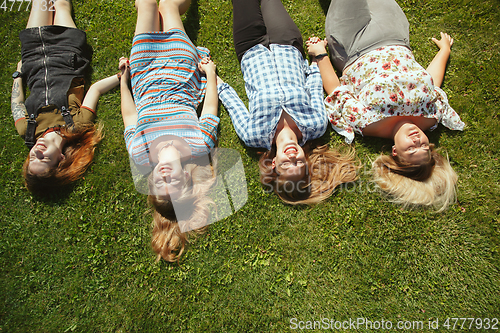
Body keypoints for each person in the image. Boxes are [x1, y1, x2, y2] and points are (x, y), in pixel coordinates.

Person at [307, 0, 464, 211]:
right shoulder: (432, 116)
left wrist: (320, 55)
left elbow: (336, 91)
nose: (417, 140)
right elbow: (432, 80)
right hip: (395, 35)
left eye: (411, 148)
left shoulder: (367, 124)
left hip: (354, 43)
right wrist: (444, 50)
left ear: (395, 152)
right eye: (424, 146)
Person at [217, 0, 357, 205]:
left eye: (286, 165)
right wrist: (316, 57)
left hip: (249, 48)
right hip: (287, 45)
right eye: (299, 163)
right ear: (306, 160)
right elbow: (314, 87)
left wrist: (211, 77)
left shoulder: (254, 136)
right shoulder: (316, 126)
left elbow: (233, 103)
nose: (293, 158)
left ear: (274, 164)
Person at [119, 0, 220, 262]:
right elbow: (209, 107)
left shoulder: (140, 153)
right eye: (173, 183)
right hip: (181, 67)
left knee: (147, 5)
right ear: (186, 178)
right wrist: (210, 74)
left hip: (142, 69)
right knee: (170, 6)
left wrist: (124, 81)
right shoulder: (200, 145)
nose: (165, 177)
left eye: (159, 185)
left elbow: (130, 116)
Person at [11, 0, 120, 196]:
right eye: (43, 159)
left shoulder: (27, 129)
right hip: (67, 52)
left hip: (34, 53)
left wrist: (18, 75)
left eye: (32, 159)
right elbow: (95, 90)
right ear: (61, 159)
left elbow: (17, 103)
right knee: (60, 4)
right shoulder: (77, 125)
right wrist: (122, 76)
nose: (36, 152)